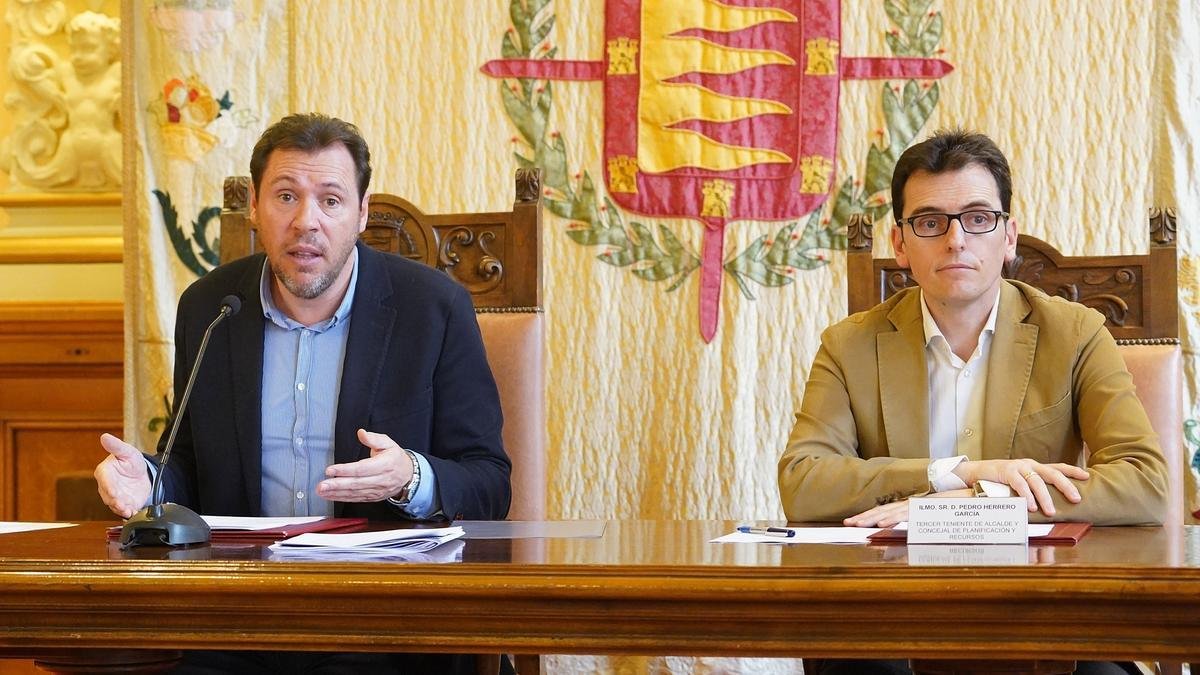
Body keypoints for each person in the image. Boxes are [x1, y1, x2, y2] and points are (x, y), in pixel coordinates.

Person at [95, 113, 511, 673]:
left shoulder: (433, 308)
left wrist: (411, 477)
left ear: (362, 213)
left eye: (331, 200)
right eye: (285, 196)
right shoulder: (212, 308)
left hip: (384, 616)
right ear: (255, 210)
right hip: (238, 613)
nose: (305, 222)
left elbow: (488, 482)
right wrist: (150, 480)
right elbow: (190, 466)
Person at [778, 130, 1163, 675]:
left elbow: (1143, 483)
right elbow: (803, 482)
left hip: (1045, 609)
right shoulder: (850, 344)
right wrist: (954, 474)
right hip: (894, 611)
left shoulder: (1076, 333)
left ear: (1008, 238)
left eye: (979, 218)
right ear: (900, 243)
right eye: (931, 222)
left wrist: (968, 507)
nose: (956, 240)